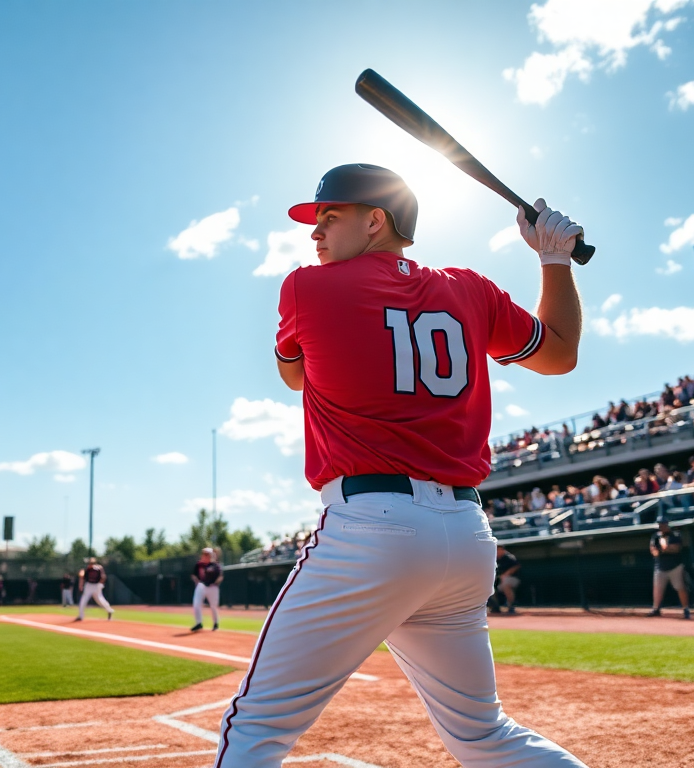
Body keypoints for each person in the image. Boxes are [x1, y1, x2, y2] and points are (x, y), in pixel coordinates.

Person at [215, 163, 588, 767]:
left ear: (375, 221)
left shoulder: (306, 288)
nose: (315, 232)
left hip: (371, 528)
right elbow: (560, 353)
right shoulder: (472, 289)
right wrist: (553, 258)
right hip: (465, 537)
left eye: (329, 217)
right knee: (484, 735)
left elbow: (293, 375)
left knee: (255, 726)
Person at [648, 520, 690, 619]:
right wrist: (663, 549)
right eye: (659, 525)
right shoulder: (656, 536)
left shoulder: (675, 535)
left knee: (680, 587)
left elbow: (675, 549)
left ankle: (686, 609)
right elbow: (654, 551)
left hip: (675, 567)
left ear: (667, 525)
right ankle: (656, 609)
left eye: (663, 524)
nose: (661, 527)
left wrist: (663, 549)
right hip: (660, 567)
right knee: (657, 589)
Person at [191, 547, 223, 631]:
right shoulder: (199, 564)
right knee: (196, 604)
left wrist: (215, 583)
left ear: (211, 555)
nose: (205, 555)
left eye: (207, 554)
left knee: (213, 606)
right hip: (202, 585)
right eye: (204, 554)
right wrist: (197, 581)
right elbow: (193, 574)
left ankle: (215, 623)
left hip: (212, 587)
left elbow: (220, 576)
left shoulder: (215, 565)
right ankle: (199, 623)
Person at [75, 556, 113, 621]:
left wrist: (101, 584)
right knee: (83, 600)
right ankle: (81, 616)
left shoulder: (98, 569)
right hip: (88, 586)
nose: (90, 564)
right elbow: (82, 577)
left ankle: (109, 611)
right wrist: (81, 585)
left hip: (96, 586)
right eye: (89, 563)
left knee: (100, 600)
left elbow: (103, 577)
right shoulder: (87, 569)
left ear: (94, 563)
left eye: (91, 563)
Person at [494, 546, 521, 614]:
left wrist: (506, 574)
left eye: (499, 550)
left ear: (503, 550)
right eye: (496, 550)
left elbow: (516, 566)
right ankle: (495, 607)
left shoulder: (509, 557)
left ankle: (511, 606)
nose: (498, 551)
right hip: (499, 581)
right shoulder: (495, 559)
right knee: (488, 588)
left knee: (506, 584)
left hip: (513, 579)